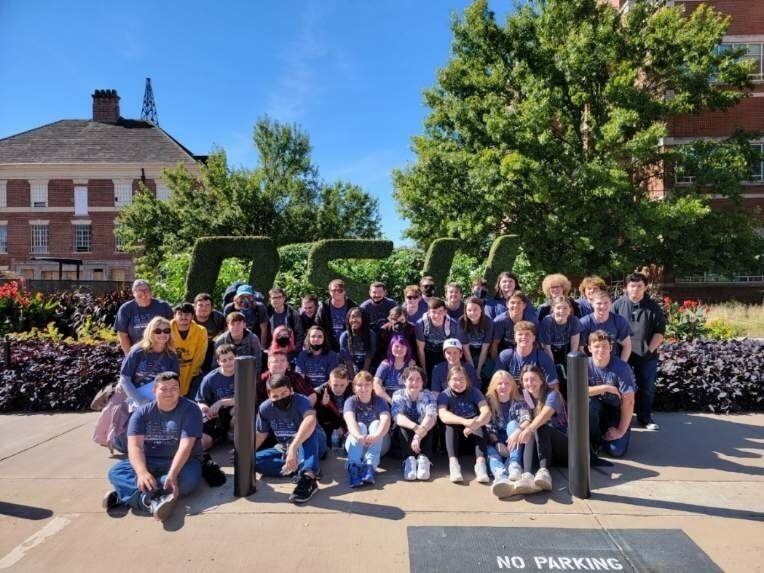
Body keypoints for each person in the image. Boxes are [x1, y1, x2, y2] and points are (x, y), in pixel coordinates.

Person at [103, 371, 203, 522]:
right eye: (164, 389)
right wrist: (142, 472)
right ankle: (149, 500)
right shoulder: (142, 413)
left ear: (180, 390)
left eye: (174, 388)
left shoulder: (191, 409)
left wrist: (173, 473)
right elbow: (135, 447)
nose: (169, 392)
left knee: (189, 480)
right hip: (149, 460)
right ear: (154, 391)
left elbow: (185, 446)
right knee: (115, 472)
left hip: (183, 461)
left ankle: (127, 494)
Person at [254, 374, 325, 504]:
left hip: (311, 441)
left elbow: (310, 419)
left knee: (308, 431)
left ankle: (308, 477)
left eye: (284, 393)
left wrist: (293, 448)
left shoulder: (301, 400)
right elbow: (261, 433)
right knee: (252, 461)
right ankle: (296, 466)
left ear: (291, 390)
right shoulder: (265, 408)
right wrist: (244, 454)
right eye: (275, 396)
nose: (280, 398)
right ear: (269, 396)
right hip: (284, 446)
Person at [612, 272, 666, 431]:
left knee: (646, 387)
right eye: (632, 286)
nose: (635, 289)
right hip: (622, 355)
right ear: (626, 287)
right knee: (619, 386)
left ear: (645, 287)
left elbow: (659, 332)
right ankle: (619, 417)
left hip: (646, 356)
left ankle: (645, 418)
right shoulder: (617, 305)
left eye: (639, 286)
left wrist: (649, 350)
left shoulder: (653, 307)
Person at [506, 365, 568, 496]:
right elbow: (526, 419)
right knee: (531, 429)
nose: (529, 383)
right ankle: (527, 475)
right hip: (545, 452)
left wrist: (528, 429)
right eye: (526, 380)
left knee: (540, 426)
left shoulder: (553, 394)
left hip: (563, 448)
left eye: (533, 379)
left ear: (541, 380)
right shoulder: (526, 397)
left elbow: (545, 414)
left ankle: (544, 472)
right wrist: (519, 430)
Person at [586, 331, 636, 463]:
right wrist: (606, 387)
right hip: (596, 409)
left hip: (616, 412)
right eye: (596, 346)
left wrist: (620, 430)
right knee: (587, 402)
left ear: (610, 348)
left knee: (616, 451)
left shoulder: (621, 367)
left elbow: (629, 401)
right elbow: (577, 391)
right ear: (589, 348)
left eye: (604, 346)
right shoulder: (584, 364)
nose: (600, 349)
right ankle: (595, 440)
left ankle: (609, 433)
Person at [437, 365, 491, 484]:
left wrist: (475, 424)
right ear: (449, 382)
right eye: (455, 379)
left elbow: (486, 412)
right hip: (455, 440)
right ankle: (454, 465)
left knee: (479, 423)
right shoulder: (444, 395)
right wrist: (465, 422)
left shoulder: (474, 392)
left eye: (462, 379)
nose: (459, 382)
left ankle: (481, 466)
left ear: (467, 380)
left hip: (473, 439)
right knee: (449, 426)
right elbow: (443, 415)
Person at [484, 370, 531, 497]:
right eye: (500, 383)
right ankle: (501, 476)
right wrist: (496, 443)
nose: (503, 386)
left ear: (512, 386)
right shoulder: (488, 402)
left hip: (515, 440)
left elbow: (526, 419)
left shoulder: (519, 400)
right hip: (498, 440)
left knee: (512, 424)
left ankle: (514, 464)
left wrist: (516, 433)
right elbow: (488, 428)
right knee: (488, 449)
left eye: (507, 383)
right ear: (494, 386)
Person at [343, 371, 391, 487]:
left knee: (376, 423)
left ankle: (370, 466)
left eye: (367, 385)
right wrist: (359, 436)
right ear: (354, 388)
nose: (363, 388)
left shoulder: (379, 401)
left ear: (372, 386)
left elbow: (386, 419)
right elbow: (350, 421)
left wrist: (377, 436)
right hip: (357, 443)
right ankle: (353, 467)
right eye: (359, 385)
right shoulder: (351, 401)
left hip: (378, 442)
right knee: (360, 426)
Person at [119, 316, 180, 410]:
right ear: (150, 332)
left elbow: (174, 381)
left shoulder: (172, 355)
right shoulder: (138, 351)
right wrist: (142, 401)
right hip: (138, 400)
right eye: (158, 331)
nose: (163, 334)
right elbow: (125, 379)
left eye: (166, 330)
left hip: (161, 401)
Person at [392, 365, 437, 481]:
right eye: (410, 379)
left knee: (427, 421)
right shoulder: (398, 394)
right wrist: (415, 427)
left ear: (423, 382)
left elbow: (431, 416)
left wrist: (417, 436)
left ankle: (424, 459)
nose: (414, 382)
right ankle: (409, 460)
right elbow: (397, 416)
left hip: (422, 435)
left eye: (418, 379)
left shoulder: (429, 395)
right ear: (404, 381)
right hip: (406, 435)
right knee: (404, 421)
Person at [492, 321, 559, 389]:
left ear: (533, 338)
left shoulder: (543, 358)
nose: (524, 337)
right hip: (512, 396)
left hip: (535, 395)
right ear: (515, 337)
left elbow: (553, 385)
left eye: (527, 334)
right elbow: (495, 382)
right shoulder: (505, 356)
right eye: (520, 334)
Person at [538, 296, 583, 397]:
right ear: (553, 309)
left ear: (570, 310)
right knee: (554, 376)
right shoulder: (547, 321)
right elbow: (547, 348)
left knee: (570, 376)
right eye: (558, 308)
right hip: (550, 352)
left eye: (565, 308)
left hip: (566, 351)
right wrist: (553, 369)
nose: (561, 311)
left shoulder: (574, 321)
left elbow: (574, 347)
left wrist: (570, 366)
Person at [415, 297, 469, 380]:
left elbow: (457, 347)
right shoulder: (420, 324)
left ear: (445, 312)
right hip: (428, 354)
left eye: (440, 311)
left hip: (445, 354)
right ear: (428, 313)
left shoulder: (453, 324)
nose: (437, 315)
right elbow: (420, 349)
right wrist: (424, 371)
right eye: (434, 312)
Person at [115, 279, 173, 355]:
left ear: (151, 292)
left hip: (161, 351)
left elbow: (172, 329)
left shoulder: (163, 306)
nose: (143, 292)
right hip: (137, 352)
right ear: (133, 293)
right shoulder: (126, 309)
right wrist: (129, 356)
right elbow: (122, 335)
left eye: (146, 290)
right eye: (139, 290)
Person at [196, 344, 236, 450]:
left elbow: (246, 399)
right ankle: (218, 436)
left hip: (234, 414)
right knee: (204, 443)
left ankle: (231, 434)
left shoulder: (244, 374)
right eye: (224, 360)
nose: (228, 362)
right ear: (218, 362)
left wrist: (222, 402)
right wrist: (205, 409)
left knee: (238, 410)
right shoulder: (210, 379)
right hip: (215, 415)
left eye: (231, 358)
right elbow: (201, 401)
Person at [579, 290, 632, 361]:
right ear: (592, 304)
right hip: (592, 364)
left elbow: (627, 345)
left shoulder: (619, 321)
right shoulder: (584, 322)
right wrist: (588, 366)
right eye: (599, 303)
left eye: (606, 303)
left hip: (613, 362)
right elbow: (580, 348)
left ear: (611, 303)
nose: (603, 306)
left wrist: (621, 364)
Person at [171, 302, 208, 398]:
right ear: (174, 316)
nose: (183, 317)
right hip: (170, 373)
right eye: (180, 314)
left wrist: (192, 373)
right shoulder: (166, 329)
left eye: (187, 314)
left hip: (193, 373)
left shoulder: (201, 331)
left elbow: (200, 355)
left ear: (192, 316)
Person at [214, 311, 262, 377]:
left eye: (239, 323)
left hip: (247, 374)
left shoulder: (253, 339)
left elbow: (257, 363)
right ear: (228, 326)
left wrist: (253, 379)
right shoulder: (220, 341)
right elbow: (215, 364)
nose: (236, 327)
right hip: (226, 374)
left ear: (244, 324)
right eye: (232, 324)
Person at [491, 291, 539, 358]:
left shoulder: (532, 321)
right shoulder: (499, 321)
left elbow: (536, 343)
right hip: (505, 355)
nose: (515, 305)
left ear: (524, 305)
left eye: (519, 303)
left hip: (526, 354)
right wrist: (497, 364)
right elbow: (494, 345)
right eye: (512, 302)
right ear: (507, 304)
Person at [315, 366, 353, 450]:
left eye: (342, 385)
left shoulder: (354, 390)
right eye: (335, 385)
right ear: (329, 382)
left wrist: (344, 428)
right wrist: (323, 404)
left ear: (347, 382)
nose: (338, 389)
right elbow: (319, 418)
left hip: (349, 423)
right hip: (330, 424)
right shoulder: (321, 392)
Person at [315, 279, 358, 352]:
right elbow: (318, 326)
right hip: (328, 346)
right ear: (329, 292)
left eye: (340, 290)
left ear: (344, 292)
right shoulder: (324, 307)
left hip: (349, 345)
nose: (337, 293)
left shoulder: (352, 306)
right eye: (334, 290)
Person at [373, 334, 416, 403]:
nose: (399, 349)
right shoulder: (385, 365)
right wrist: (390, 400)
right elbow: (376, 384)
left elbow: (416, 386)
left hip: (406, 402)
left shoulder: (410, 365)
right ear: (391, 348)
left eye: (402, 346)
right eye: (396, 346)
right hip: (388, 402)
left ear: (407, 349)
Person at [460, 297, 494, 384]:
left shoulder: (488, 322)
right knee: (467, 373)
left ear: (481, 310)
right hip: (467, 353)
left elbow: (485, 348)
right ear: (465, 311)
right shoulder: (461, 322)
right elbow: (466, 350)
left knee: (487, 371)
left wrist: (478, 370)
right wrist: (473, 371)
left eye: (475, 309)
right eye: (469, 310)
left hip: (482, 352)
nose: (472, 313)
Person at [374, 305, 417, 370]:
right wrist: (384, 359)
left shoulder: (412, 328)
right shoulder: (384, 330)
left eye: (402, 320)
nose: (398, 323)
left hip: (407, 359)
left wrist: (413, 359)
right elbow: (380, 349)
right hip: (389, 359)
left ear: (406, 318)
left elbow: (415, 347)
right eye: (395, 320)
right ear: (390, 319)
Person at [192, 292, 226, 373]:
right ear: (195, 307)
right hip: (192, 345)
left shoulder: (218, 317)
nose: (204, 308)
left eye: (207, 305)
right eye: (200, 305)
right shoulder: (189, 316)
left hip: (210, 346)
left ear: (212, 307)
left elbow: (224, 334)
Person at [339, 307, 377, 376]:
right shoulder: (344, 336)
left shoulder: (371, 335)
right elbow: (347, 360)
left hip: (368, 367)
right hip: (351, 368)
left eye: (358, 316)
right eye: (352, 317)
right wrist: (353, 379)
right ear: (348, 319)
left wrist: (362, 377)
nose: (354, 320)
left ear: (363, 319)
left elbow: (369, 357)